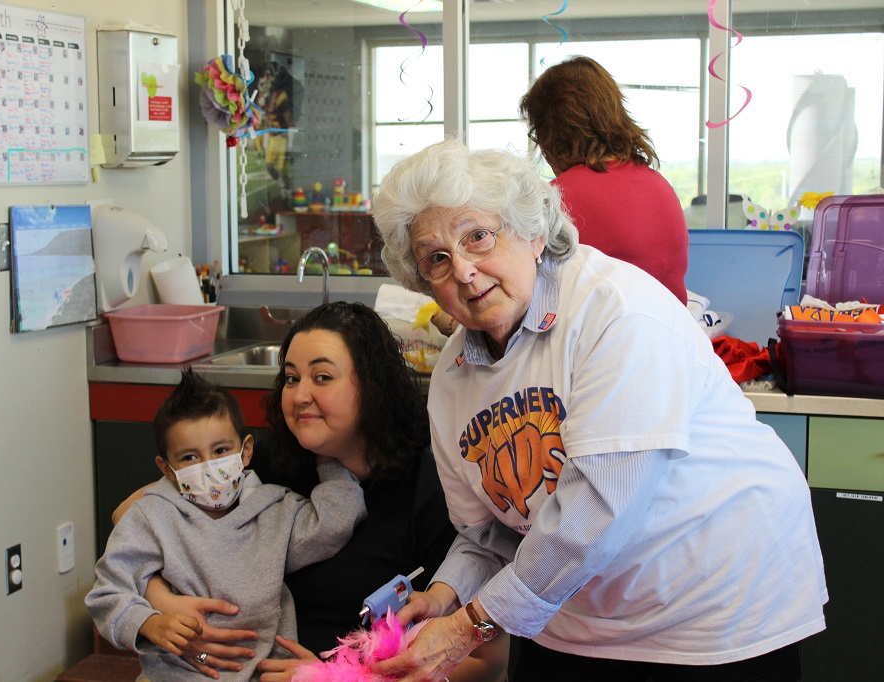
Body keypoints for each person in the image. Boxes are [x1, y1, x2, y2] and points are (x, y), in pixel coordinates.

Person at [369, 139, 827, 681]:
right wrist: (446, 595)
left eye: (478, 237)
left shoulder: (618, 313)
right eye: (436, 259)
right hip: (568, 612)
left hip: (713, 613)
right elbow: (487, 532)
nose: (465, 271)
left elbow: (596, 511)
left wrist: (471, 626)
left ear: (533, 234)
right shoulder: (452, 376)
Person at [114, 302, 509, 681]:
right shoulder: (265, 465)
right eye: (290, 378)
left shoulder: (430, 489)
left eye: (322, 377)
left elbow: (487, 662)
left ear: (371, 387)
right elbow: (132, 517)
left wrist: (342, 678)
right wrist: (165, 606)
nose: (300, 395)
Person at [86, 371, 367, 682]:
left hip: (264, 672)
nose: (208, 466)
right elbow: (106, 595)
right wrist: (149, 623)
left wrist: (327, 459)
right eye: (190, 457)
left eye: (220, 451)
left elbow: (334, 524)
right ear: (166, 468)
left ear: (245, 451)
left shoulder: (277, 510)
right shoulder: (151, 515)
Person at [520, 55, 689, 305]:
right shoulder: (660, 187)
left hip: (606, 341)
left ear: (550, 134)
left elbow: (522, 299)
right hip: (674, 338)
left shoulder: (557, 201)